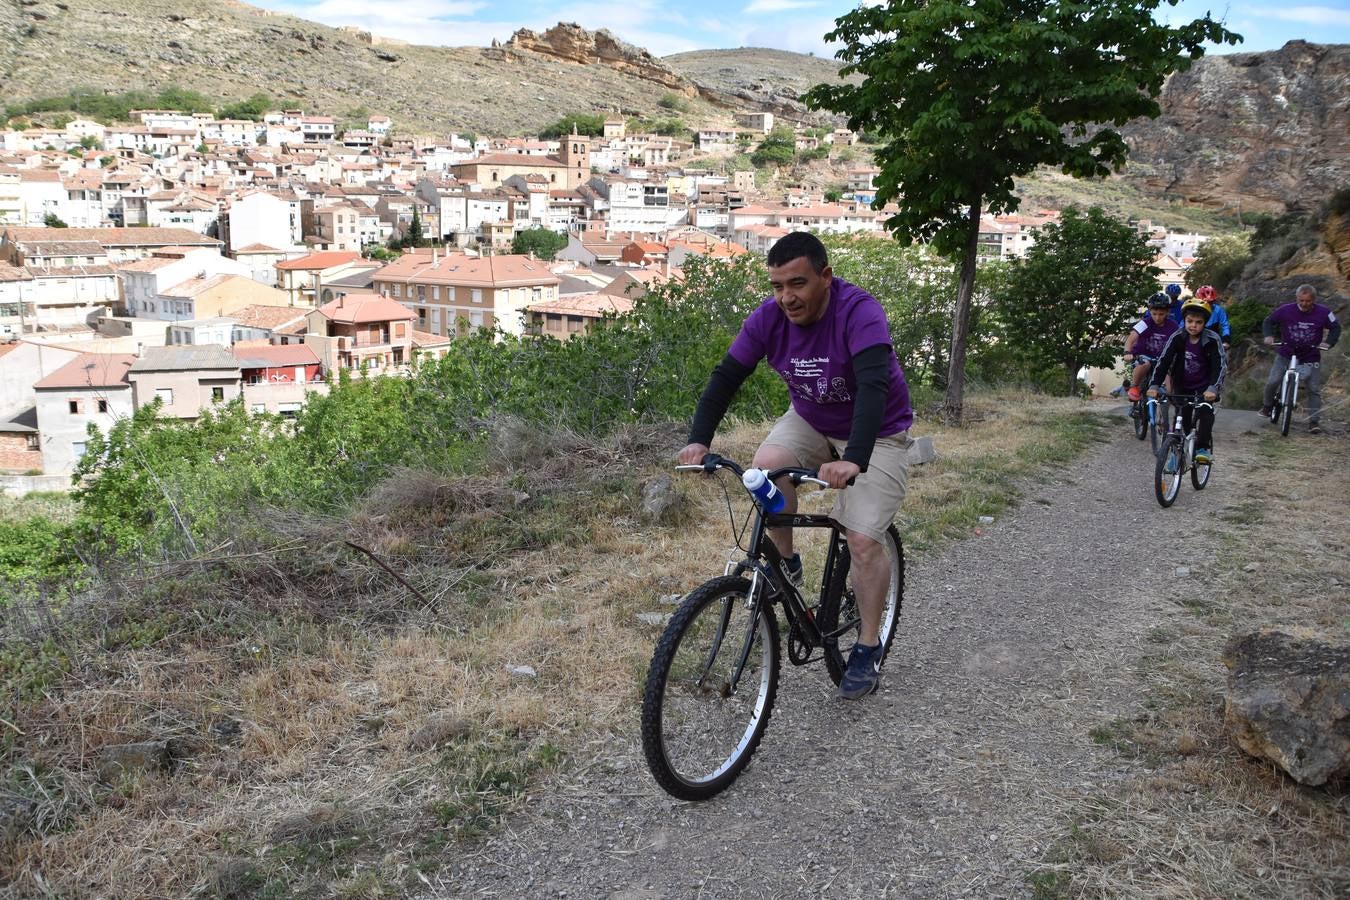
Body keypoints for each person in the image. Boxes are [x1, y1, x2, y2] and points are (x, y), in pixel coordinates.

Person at [678, 231, 913, 700]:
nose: (787, 297)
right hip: (809, 418)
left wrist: (854, 459)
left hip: (877, 431)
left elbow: (872, 388)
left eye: (798, 284)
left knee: (863, 539)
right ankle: (787, 562)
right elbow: (726, 378)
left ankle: (867, 646)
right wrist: (698, 440)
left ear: (825, 277)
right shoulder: (769, 319)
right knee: (765, 467)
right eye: (777, 286)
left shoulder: (859, 311)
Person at [1148, 298, 1226, 465]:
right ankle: (1177, 454)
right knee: (1181, 418)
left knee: (1205, 414)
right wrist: (1154, 384)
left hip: (1205, 388)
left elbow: (1219, 367)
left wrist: (1213, 388)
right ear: (1184, 320)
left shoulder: (1212, 339)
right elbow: (1164, 361)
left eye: (1199, 322)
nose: (1193, 325)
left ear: (1205, 323)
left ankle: (1203, 448)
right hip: (1182, 386)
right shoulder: (1177, 337)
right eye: (1190, 321)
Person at [1260, 284, 1340, 434]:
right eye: (1301, 300)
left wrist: (1328, 342)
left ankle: (1314, 422)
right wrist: (1269, 335)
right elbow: (1268, 321)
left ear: (1313, 300)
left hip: (1310, 355)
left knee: (1314, 389)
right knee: (1273, 380)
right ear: (1296, 298)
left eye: (1308, 301)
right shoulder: (1285, 310)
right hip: (1286, 352)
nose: (1304, 304)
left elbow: (1336, 327)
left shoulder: (1324, 312)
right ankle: (1267, 406)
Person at [1123, 292, 1178, 401]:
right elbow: (1132, 337)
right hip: (1143, 355)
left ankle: (1168, 399)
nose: (1157, 317)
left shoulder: (1173, 325)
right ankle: (1135, 387)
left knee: (1169, 384)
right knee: (1144, 363)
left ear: (1167, 312)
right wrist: (1127, 352)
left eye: (1161, 314)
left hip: (1162, 359)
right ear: (1150, 312)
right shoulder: (1145, 323)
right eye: (1154, 313)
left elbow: (1179, 341)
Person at [1197, 285, 1231, 352]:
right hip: (1197, 339)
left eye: (1211, 302)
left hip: (1213, 338)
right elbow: (1183, 325)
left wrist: (1226, 340)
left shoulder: (1218, 310)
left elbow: (1225, 325)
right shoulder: (1194, 310)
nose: (1209, 305)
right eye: (1206, 302)